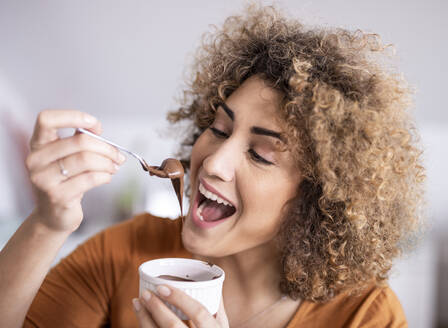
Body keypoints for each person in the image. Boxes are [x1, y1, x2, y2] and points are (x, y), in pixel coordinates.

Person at [0, 4, 425, 328]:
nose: (214, 162)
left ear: (318, 197)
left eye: (260, 154)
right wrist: (47, 224)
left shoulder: (365, 315)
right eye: (220, 128)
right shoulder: (123, 253)